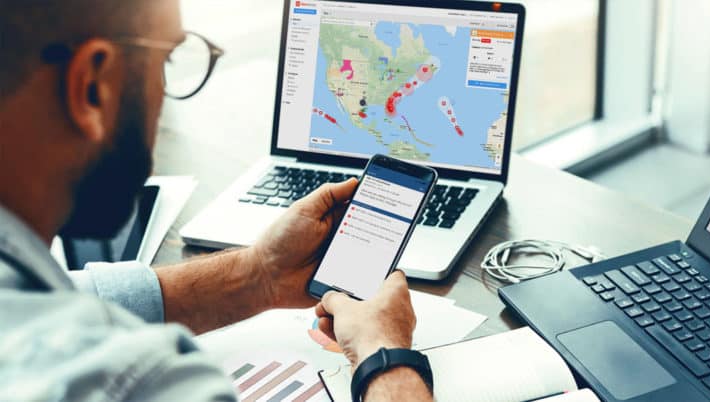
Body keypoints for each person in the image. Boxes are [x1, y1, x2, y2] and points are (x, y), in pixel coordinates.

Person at [0, 1, 433, 400]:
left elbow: (66, 296)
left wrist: (259, 275)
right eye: (165, 61)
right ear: (93, 86)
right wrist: (384, 356)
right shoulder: (140, 383)